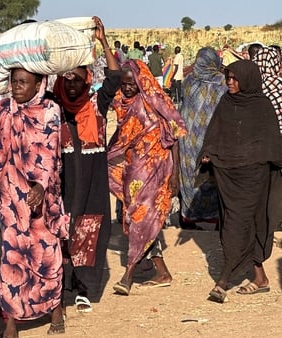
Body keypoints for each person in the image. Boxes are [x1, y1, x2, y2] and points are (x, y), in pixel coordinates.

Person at [0, 63, 70, 336]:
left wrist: (41, 186)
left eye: (23, 82)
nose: (17, 87)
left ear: (39, 83)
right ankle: (11, 322)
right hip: (11, 195)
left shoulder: (50, 111)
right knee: (12, 255)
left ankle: (55, 309)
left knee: (47, 254)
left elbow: (51, 151)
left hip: (42, 197)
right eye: (14, 81)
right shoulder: (4, 109)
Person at [199, 60, 282, 303]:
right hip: (229, 175)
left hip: (254, 175)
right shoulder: (226, 102)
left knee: (239, 224)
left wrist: (258, 158)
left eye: (235, 79)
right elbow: (215, 133)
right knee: (241, 224)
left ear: (248, 79)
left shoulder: (262, 106)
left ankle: (223, 281)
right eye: (228, 78)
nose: (230, 83)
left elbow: (271, 143)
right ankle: (260, 278)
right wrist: (208, 152)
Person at [53, 16, 120, 313]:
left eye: (77, 79)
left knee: (90, 232)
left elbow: (116, 78)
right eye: (66, 79)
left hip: (93, 184)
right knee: (63, 231)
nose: (71, 85)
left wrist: (103, 41)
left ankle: (83, 288)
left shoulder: (97, 104)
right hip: (63, 183)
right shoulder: (52, 107)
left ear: (87, 80)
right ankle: (60, 286)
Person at [108, 59, 187, 296]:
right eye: (124, 84)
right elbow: (122, 134)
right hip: (134, 171)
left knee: (142, 220)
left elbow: (174, 138)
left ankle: (128, 274)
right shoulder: (123, 103)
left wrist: (176, 176)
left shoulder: (156, 101)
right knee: (142, 221)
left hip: (157, 169)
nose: (128, 87)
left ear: (142, 80)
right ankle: (161, 271)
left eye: (132, 83)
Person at [178, 47, 228, 228]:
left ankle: (189, 217)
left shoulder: (188, 81)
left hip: (188, 140)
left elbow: (182, 108)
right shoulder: (223, 83)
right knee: (211, 177)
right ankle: (214, 218)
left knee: (190, 174)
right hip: (213, 138)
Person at [252, 47, 282, 231]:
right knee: (277, 184)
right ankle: (276, 222)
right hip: (279, 141)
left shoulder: (251, 86)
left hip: (258, 145)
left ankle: (264, 222)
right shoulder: (280, 84)